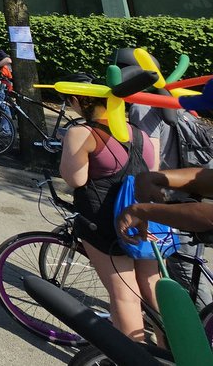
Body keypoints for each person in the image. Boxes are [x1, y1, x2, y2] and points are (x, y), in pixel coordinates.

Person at [60, 75, 161, 341]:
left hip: (105, 222)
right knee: (154, 290)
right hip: (145, 218)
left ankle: (133, 357)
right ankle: (168, 351)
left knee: (124, 293)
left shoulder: (82, 132)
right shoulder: (140, 134)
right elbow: (154, 172)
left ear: (76, 101)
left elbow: (76, 179)